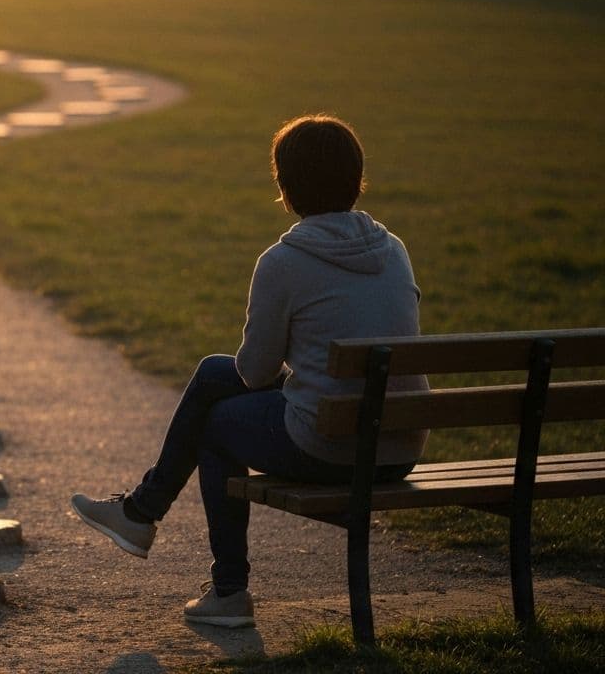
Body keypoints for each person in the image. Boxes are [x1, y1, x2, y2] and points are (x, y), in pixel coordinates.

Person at [70, 114, 429, 628]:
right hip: (399, 448)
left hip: (334, 447)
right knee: (214, 374)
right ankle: (140, 513)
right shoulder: (394, 250)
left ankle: (223, 586)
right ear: (357, 181)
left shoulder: (283, 261)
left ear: (285, 187)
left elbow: (256, 373)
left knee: (215, 426)